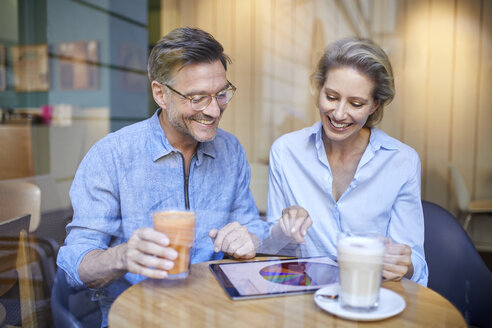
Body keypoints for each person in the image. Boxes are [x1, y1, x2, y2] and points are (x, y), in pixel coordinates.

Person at [56, 27, 269, 327]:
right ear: (160, 94)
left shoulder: (230, 150)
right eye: (197, 98)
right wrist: (123, 256)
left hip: (217, 316)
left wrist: (249, 239)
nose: (213, 110)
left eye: (221, 94)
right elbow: (74, 264)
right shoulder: (111, 156)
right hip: (136, 319)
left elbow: (252, 226)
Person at [267, 37, 428, 286]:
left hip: (372, 299)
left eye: (356, 103)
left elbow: (415, 263)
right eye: (331, 97)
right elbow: (271, 253)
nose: (339, 114)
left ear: (375, 104)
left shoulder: (402, 162)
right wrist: (283, 229)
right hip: (306, 300)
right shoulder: (286, 152)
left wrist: (404, 264)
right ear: (318, 89)